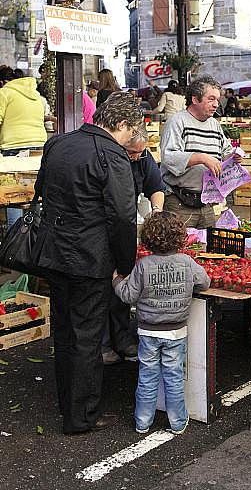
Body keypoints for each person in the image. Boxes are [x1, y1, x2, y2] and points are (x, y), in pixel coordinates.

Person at [31, 92, 142, 434]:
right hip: (89, 260)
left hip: (53, 253)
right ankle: (81, 417)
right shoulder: (113, 155)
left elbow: (40, 190)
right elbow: (123, 217)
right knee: (87, 339)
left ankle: (69, 405)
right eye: (132, 131)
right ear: (121, 125)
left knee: (65, 332)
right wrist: (125, 265)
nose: (131, 138)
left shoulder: (58, 143)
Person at [113, 211, 210, 434]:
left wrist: (117, 281)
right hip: (176, 332)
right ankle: (177, 423)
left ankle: (142, 422)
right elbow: (205, 282)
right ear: (179, 237)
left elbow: (128, 296)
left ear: (148, 238)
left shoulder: (143, 265)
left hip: (148, 331)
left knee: (147, 377)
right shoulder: (186, 261)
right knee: (174, 377)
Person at [102, 126, 166, 365]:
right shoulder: (107, 157)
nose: (136, 156)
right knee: (102, 289)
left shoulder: (144, 157)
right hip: (103, 228)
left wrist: (156, 212)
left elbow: (155, 187)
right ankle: (103, 343)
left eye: (140, 152)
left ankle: (122, 338)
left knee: (124, 282)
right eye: (132, 152)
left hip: (126, 227)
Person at [161, 75, 234, 229]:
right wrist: (201, 158)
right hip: (180, 201)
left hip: (207, 201)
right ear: (195, 99)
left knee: (207, 248)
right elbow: (169, 157)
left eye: (217, 100)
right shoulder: (177, 121)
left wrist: (234, 156)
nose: (216, 105)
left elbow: (226, 150)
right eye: (211, 99)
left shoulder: (214, 124)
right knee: (179, 246)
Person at [0, 66, 47, 154]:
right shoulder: (36, 94)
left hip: (13, 145)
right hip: (40, 143)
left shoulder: (4, 93)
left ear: (2, 82)